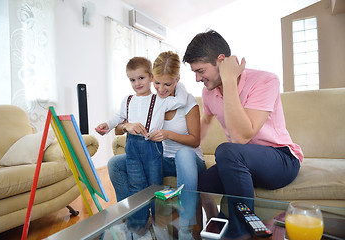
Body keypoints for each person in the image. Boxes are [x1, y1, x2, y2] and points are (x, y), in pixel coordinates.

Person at [183, 29, 303, 238]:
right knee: (201, 182)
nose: (197, 78)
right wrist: (182, 144)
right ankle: (215, 224)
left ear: (221, 61)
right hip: (242, 164)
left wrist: (229, 81)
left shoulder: (265, 81)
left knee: (227, 151)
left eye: (200, 71)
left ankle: (242, 233)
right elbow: (206, 120)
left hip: (281, 159)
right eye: (194, 72)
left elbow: (241, 137)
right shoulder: (208, 91)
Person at [108, 51, 207, 238]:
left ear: (178, 79)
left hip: (189, 162)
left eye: (167, 84)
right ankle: (131, 218)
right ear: (152, 78)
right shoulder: (150, 101)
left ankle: (186, 227)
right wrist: (126, 125)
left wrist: (168, 134)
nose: (161, 89)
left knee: (183, 154)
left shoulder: (187, 102)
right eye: (157, 83)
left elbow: (195, 140)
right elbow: (117, 128)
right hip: (159, 159)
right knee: (115, 165)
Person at [96, 56, 187, 198]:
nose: (137, 83)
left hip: (152, 147)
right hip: (132, 147)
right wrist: (106, 126)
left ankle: (158, 219)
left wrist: (177, 82)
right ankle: (138, 220)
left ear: (151, 77)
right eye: (132, 80)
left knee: (155, 186)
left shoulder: (160, 100)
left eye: (141, 78)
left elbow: (181, 101)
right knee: (136, 185)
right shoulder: (128, 100)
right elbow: (118, 117)